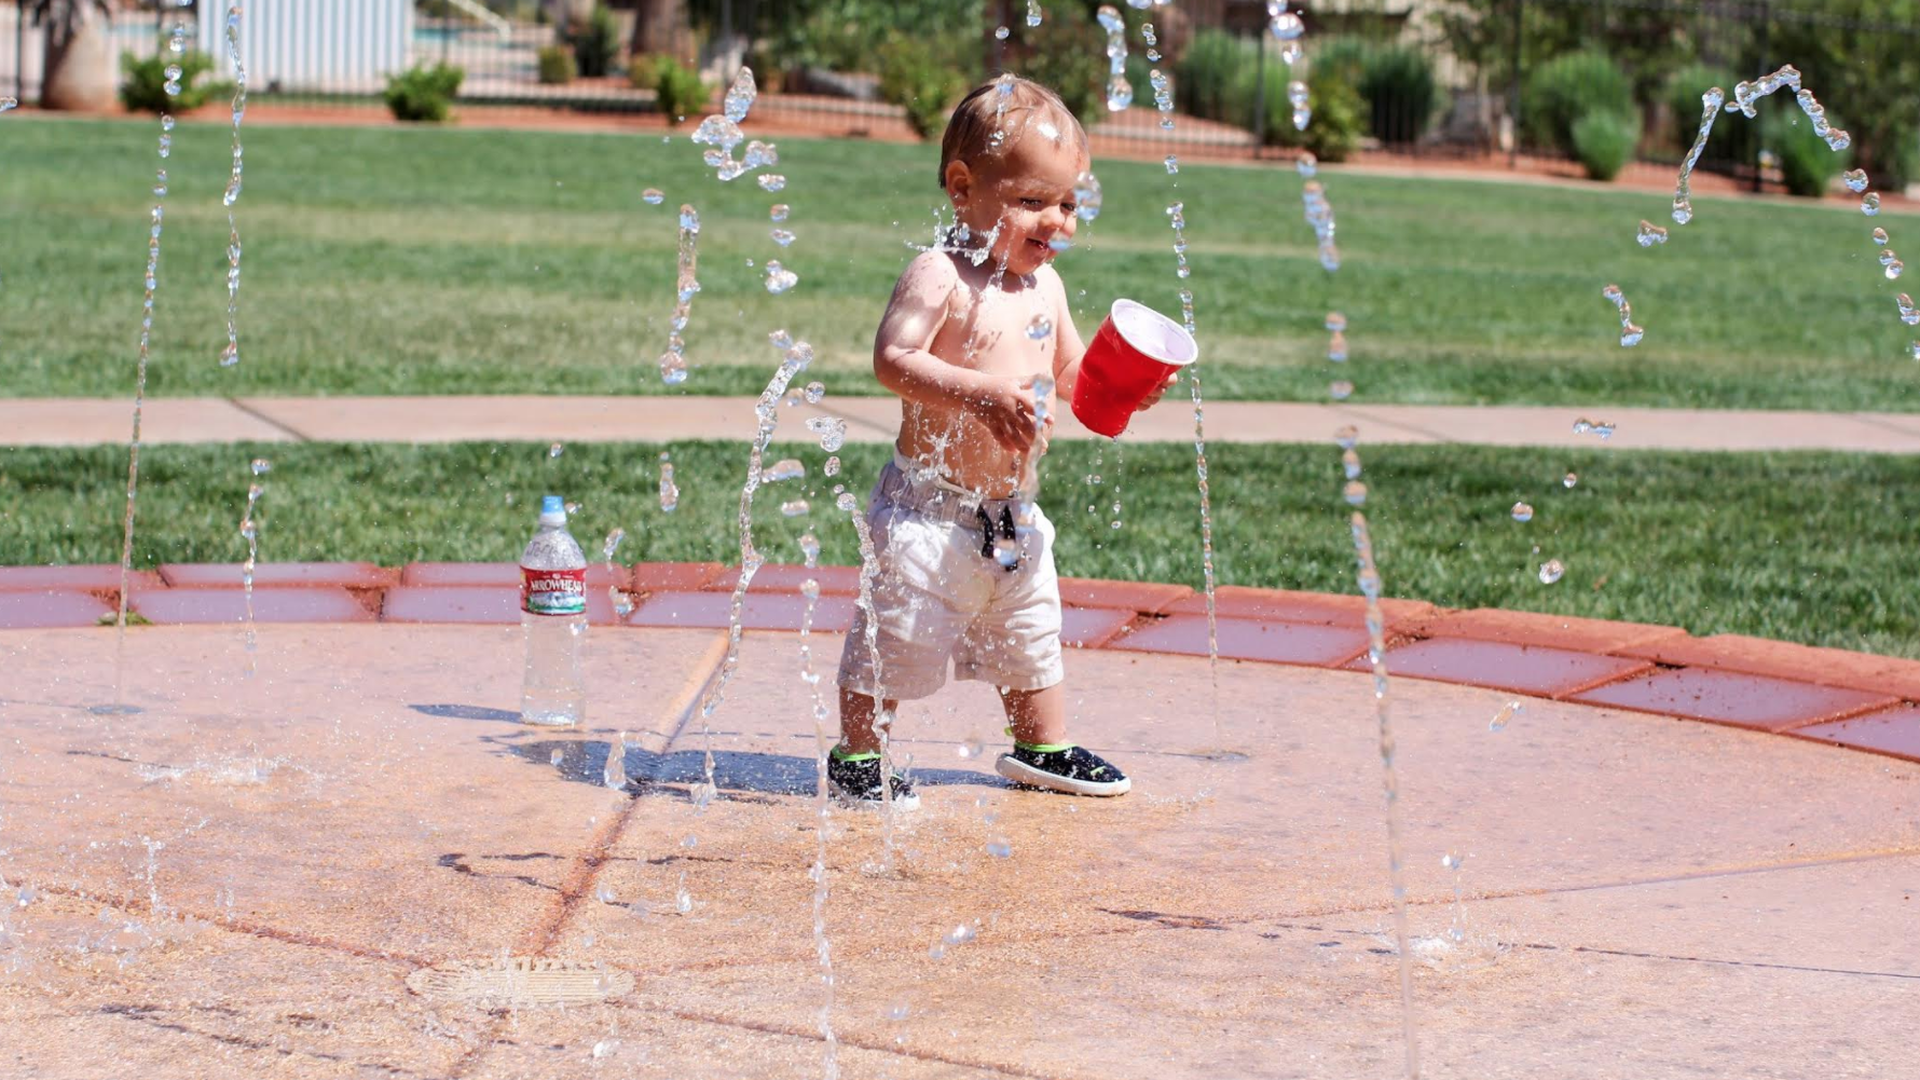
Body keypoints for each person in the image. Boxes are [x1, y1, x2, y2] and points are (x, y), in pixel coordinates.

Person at [829, 76, 1175, 809]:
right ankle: (860, 754)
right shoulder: (940, 275)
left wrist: (1128, 383)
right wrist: (983, 392)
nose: (1059, 223)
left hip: (1010, 513)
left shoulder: (1044, 288)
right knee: (894, 639)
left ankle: (1041, 744)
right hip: (928, 511)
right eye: (1033, 203)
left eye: (1070, 203)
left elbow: (1078, 379)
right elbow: (893, 361)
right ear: (963, 188)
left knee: (1028, 630)